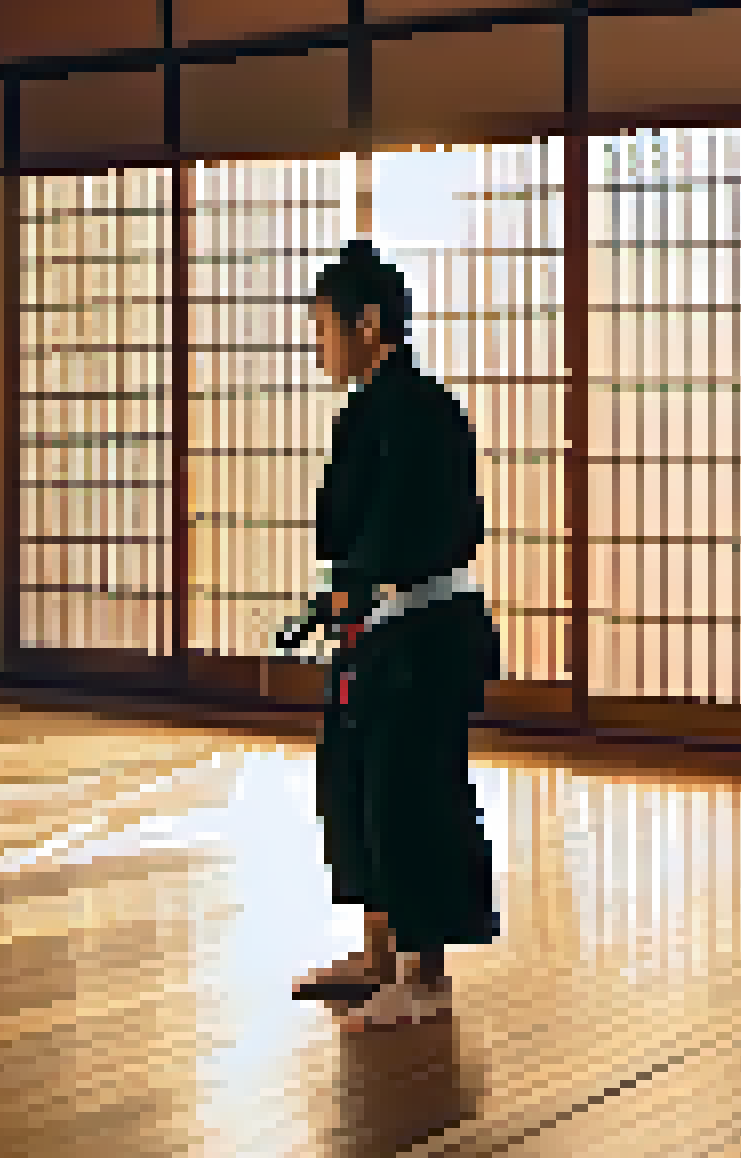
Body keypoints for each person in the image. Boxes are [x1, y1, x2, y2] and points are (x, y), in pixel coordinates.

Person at [284, 239, 501, 1033]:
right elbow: (346, 529)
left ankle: (424, 974)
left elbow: (419, 529)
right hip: (380, 629)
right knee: (353, 783)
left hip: (425, 632)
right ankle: (376, 954)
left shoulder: (421, 410)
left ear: (368, 323)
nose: (318, 344)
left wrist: (363, 581)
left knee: (413, 794)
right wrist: (343, 595)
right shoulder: (367, 410)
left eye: (324, 327)